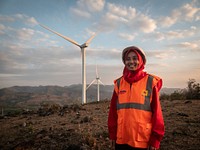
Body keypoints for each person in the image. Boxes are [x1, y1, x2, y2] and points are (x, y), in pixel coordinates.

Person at [108, 46, 165, 150]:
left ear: (141, 60)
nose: (131, 62)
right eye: (128, 59)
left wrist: (155, 139)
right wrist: (112, 134)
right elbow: (113, 112)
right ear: (124, 62)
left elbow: (157, 114)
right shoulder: (119, 83)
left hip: (142, 140)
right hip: (121, 139)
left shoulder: (150, 82)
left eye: (135, 58)